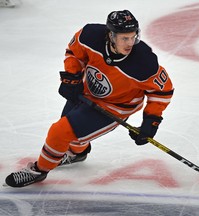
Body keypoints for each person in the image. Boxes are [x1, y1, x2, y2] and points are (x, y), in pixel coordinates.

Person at [5, 10, 174, 188]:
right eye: (125, 38)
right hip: (86, 92)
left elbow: (162, 91)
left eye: (133, 37)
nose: (130, 43)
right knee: (71, 134)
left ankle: (39, 170)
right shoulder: (90, 36)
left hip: (116, 107)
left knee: (60, 132)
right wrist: (72, 78)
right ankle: (78, 153)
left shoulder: (144, 62)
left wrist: (151, 121)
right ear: (111, 35)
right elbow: (74, 52)